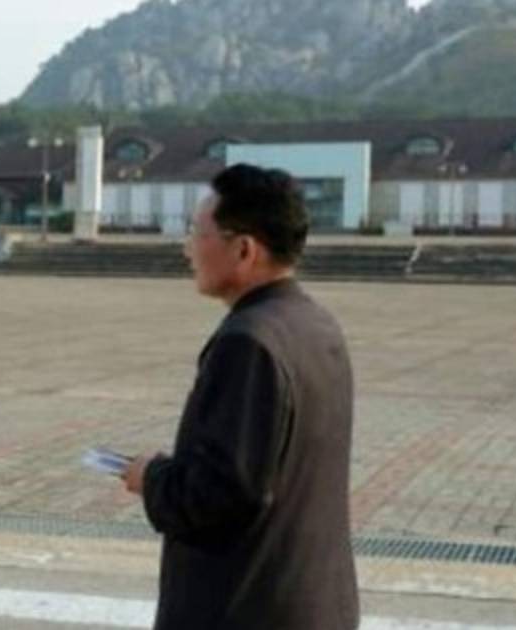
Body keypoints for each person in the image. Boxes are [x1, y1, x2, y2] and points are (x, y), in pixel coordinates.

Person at [122, 164, 359, 629]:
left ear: (245, 249)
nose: (188, 248)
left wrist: (150, 477)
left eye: (198, 233)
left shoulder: (248, 343)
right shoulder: (314, 323)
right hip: (311, 600)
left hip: (248, 609)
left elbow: (222, 496)